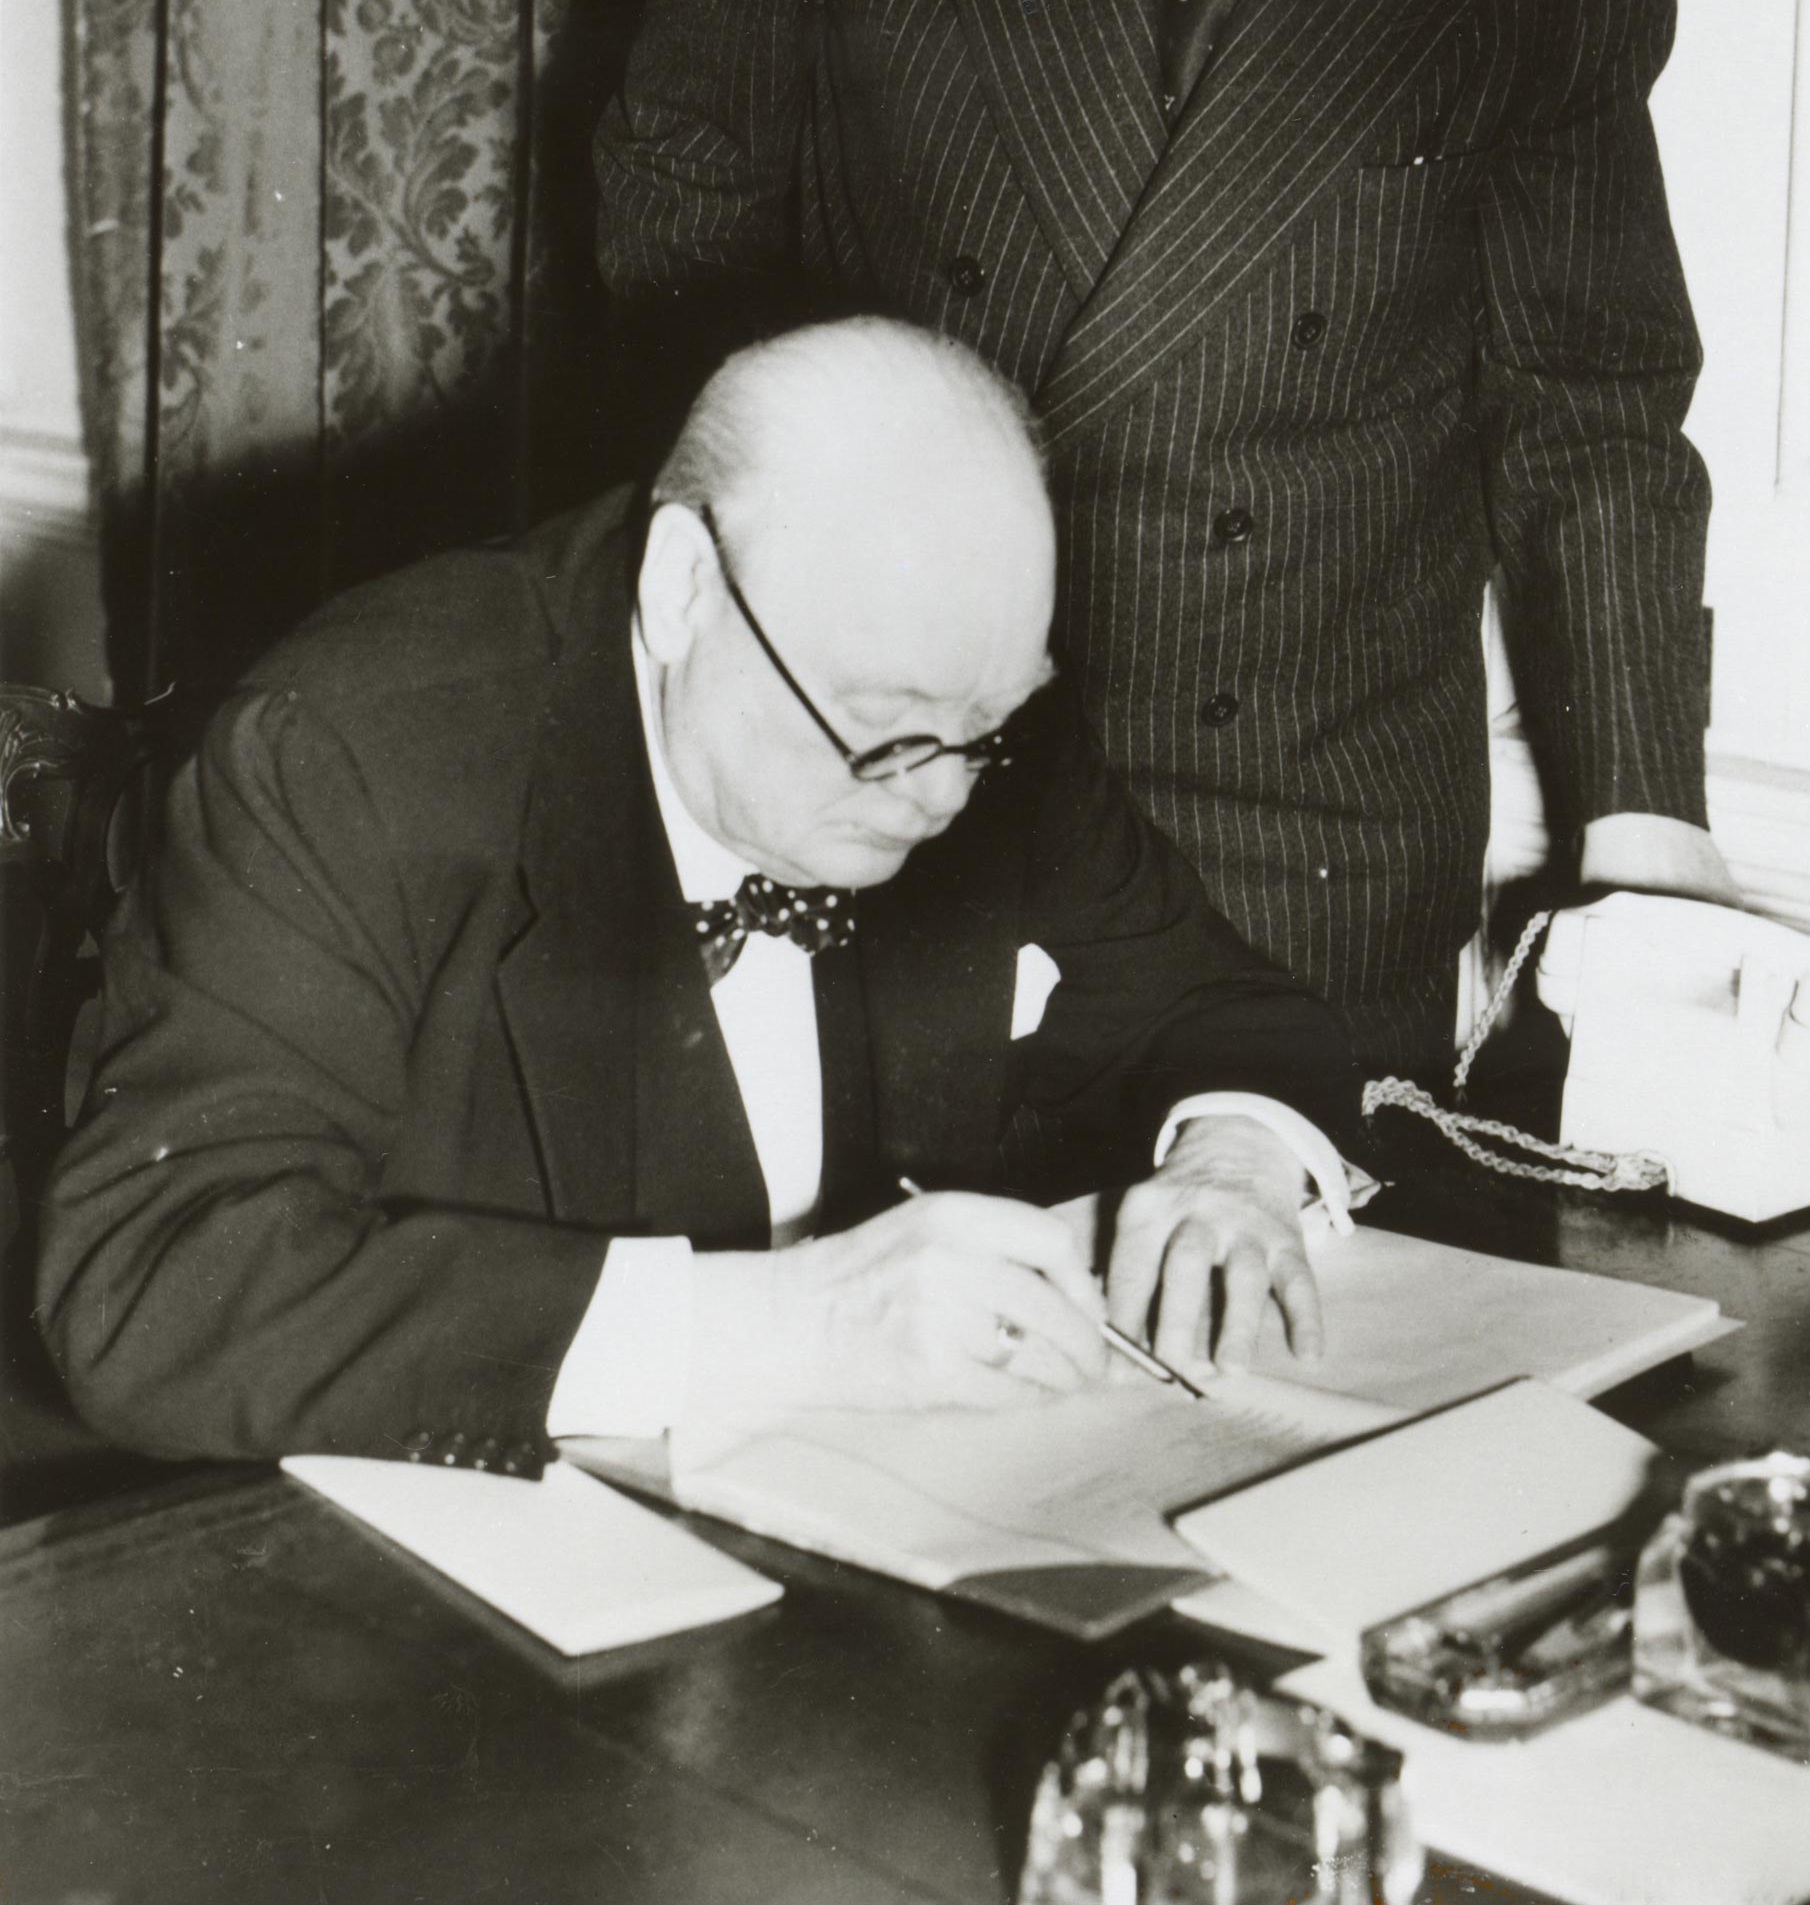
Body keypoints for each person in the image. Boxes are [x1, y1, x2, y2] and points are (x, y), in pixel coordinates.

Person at [594, 0, 1735, 1072]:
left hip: (1307, 866)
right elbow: (683, 187)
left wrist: (1647, 828)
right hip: (904, 796)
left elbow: (1590, 396)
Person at [39, 319, 1379, 1472]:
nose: (940, 797)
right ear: (684, 586)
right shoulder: (355, 754)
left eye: (984, 728)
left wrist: (1234, 1162)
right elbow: (153, 1279)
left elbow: (1223, 1005)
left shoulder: (962, 702)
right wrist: (789, 1327)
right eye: (883, 733)